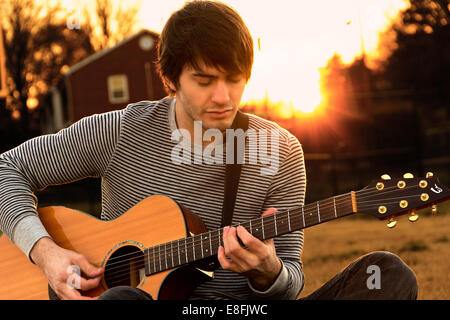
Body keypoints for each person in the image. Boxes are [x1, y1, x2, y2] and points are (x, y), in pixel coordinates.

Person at [0, 0, 417, 300]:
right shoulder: (121, 130)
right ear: (170, 77)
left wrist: (268, 271)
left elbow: (290, 279)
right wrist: (46, 253)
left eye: (234, 79)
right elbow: (7, 168)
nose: (223, 96)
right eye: (204, 79)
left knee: (387, 274)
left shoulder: (280, 151)